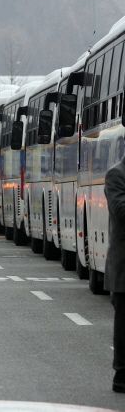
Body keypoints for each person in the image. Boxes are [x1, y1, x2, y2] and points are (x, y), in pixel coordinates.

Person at [104, 154, 125, 393]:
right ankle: (121, 374)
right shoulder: (116, 174)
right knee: (124, 323)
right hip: (123, 267)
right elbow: (120, 210)